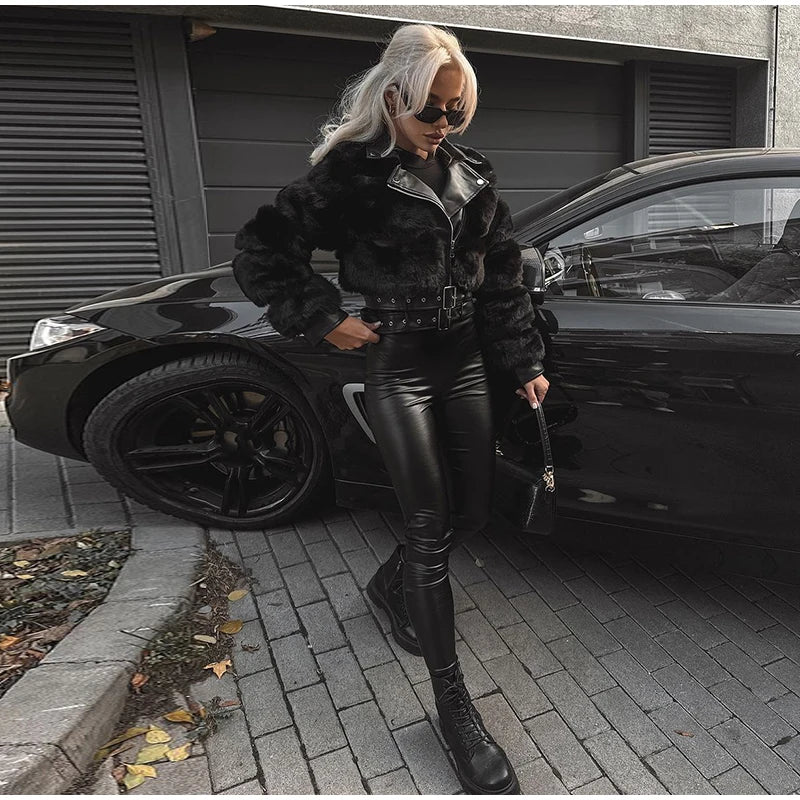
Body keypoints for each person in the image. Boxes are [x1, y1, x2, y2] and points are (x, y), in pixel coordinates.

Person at [232, 22, 549, 794]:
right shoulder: (351, 175)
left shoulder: (473, 174)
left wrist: (524, 361)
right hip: (399, 365)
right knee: (429, 528)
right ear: (392, 99)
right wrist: (321, 317)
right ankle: (453, 706)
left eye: (455, 110)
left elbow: (503, 275)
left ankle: (388, 587)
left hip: (465, 361)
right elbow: (262, 250)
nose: (443, 124)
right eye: (430, 109)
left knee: (472, 513)